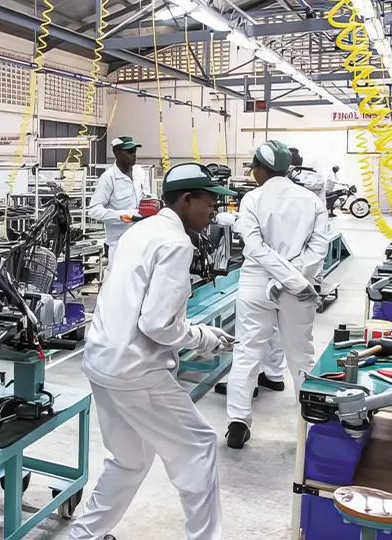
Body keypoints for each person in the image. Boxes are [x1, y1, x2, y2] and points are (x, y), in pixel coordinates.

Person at [71, 162, 236, 540]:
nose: (214, 210)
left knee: (129, 460)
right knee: (199, 447)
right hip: (136, 370)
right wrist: (203, 336)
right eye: (209, 201)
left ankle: (84, 535)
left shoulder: (140, 230)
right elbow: (158, 325)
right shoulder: (176, 242)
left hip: (101, 361)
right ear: (186, 199)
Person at [225, 141, 328, 449]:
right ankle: (312, 427)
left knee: (246, 352)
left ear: (260, 167)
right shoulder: (311, 201)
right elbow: (318, 249)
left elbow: (254, 247)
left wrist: (278, 279)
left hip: (257, 282)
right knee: (301, 356)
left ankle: (238, 421)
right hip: (299, 286)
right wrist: (293, 278)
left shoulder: (252, 199)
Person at [87, 136, 151, 272]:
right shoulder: (108, 178)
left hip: (141, 241)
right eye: (129, 151)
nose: (133, 154)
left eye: (134, 151)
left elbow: (146, 196)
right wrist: (124, 216)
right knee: (117, 283)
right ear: (117, 153)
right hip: (119, 244)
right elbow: (93, 210)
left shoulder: (140, 173)